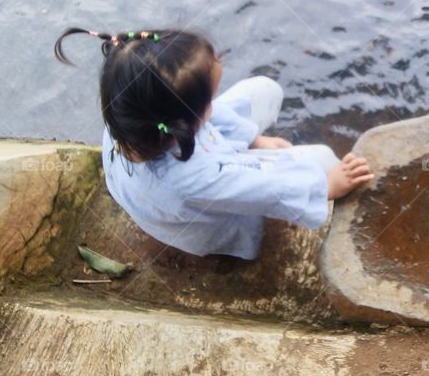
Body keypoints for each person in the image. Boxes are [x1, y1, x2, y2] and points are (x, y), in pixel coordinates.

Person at [54, 27, 373, 260]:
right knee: (322, 159)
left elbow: (207, 122)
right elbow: (266, 189)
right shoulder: (195, 179)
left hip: (191, 156)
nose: (214, 102)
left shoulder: (129, 115)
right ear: (183, 124)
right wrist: (326, 186)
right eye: (209, 98)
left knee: (263, 90)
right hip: (209, 213)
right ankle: (317, 178)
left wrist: (255, 139)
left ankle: (244, 139)